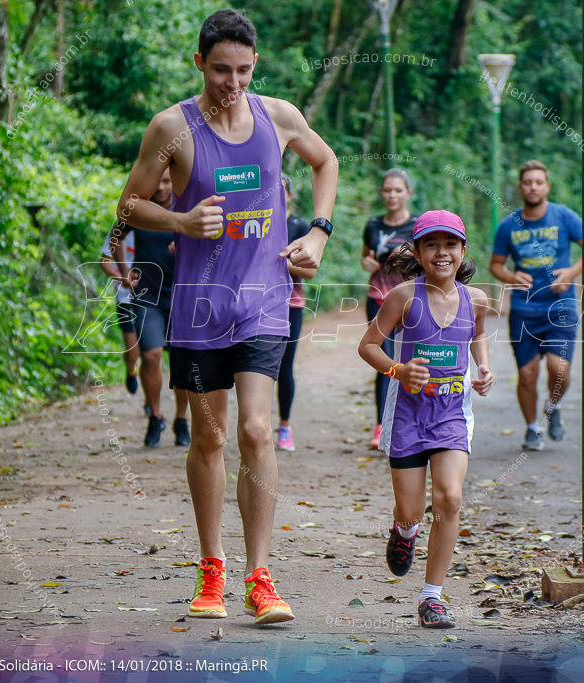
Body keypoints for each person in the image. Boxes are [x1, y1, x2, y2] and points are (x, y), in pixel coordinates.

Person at [116, 9, 337, 625]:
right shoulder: (171, 128)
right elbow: (130, 205)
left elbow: (327, 162)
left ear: (255, 65)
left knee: (257, 432)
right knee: (210, 436)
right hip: (198, 306)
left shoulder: (279, 115)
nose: (232, 84)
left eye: (242, 71)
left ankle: (260, 576)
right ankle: (211, 568)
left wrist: (318, 232)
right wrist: (181, 222)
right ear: (199, 63)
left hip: (265, 299)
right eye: (220, 71)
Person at [358, 210, 493, 629]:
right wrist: (397, 370)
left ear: (463, 251)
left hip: (452, 412)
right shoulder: (403, 296)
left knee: (450, 498)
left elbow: (478, 335)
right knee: (412, 511)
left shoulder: (477, 299)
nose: (442, 253)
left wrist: (483, 368)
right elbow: (369, 346)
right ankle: (404, 531)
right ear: (417, 251)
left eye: (450, 244)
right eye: (432, 244)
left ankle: (431, 598)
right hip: (408, 416)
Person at [490, 160, 582, 452]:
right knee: (527, 375)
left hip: (560, 306)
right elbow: (496, 265)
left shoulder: (564, 217)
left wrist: (571, 273)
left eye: (538, 182)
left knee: (560, 370)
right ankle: (532, 429)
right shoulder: (508, 226)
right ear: (520, 187)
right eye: (527, 182)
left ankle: (552, 407)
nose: (533, 187)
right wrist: (510, 276)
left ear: (547, 186)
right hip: (524, 310)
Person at [110, 168, 190, 448]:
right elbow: (115, 238)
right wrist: (124, 273)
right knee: (152, 355)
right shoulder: (139, 211)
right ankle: (155, 416)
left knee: (182, 362)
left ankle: (182, 419)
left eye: (167, 181)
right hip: (146, 296)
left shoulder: (186, 207)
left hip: (183, 296)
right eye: (157, 181)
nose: (161, 188)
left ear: (174, 182)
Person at [361, 168, 419, 449]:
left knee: (412, 358)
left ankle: (410, 420)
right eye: (387, 190)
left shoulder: (419, 225)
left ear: (408, 193)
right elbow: (366, 257)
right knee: (385, 361)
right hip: (378, 298)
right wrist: (367, 264)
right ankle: (382, 425)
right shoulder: (373, 225)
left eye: (398, 190)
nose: (392, 195)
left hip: (411, 302)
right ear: (381, 193)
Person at [276, 174, 316, 452]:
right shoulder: (252, 223)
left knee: (284, 366)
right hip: (254, 304)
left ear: (290, 195)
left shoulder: (300, 226)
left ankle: (284, 427)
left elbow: (310, 271)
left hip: (290, 305)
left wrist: (279, 262)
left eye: (281, 191)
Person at [98, 228, 139, 395]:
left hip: (152, 297)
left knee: (152, 352)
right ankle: (131, 370)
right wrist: (121, 278)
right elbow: (104, 261)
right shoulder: (121, 228)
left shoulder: (159, 223)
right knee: (133, 352)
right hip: (125, 298)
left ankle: (152, 406)